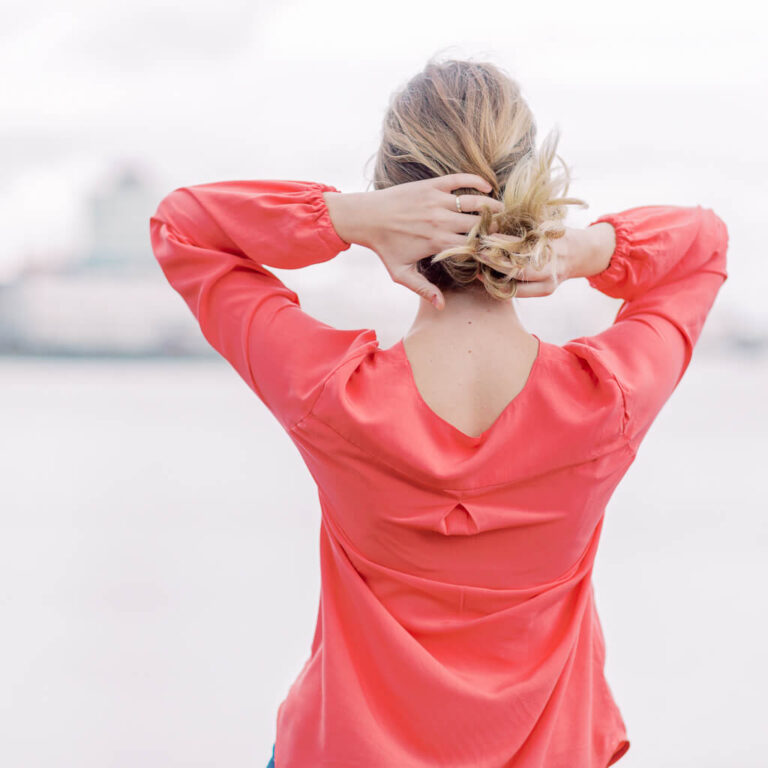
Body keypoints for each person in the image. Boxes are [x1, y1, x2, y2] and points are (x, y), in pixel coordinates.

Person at [149, 57, 729, 768]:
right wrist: (582, 251)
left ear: (398, 207)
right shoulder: (604, 401)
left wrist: (348, 219)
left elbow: (182, 228)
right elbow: (704, 247)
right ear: (531, 202)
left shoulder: (333, 395)